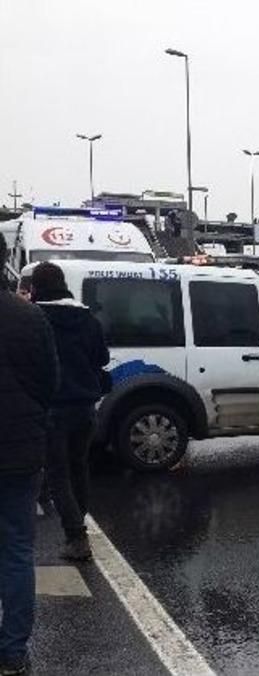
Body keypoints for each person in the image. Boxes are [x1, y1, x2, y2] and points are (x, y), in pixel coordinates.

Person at [0, 234, 59, 675]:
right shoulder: (30, 317)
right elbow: (47, 384)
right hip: (19, 451)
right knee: (17, 549)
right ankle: (13, 651)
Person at [30, 262, 109, 562]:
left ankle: (76, 536)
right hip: (86, 407)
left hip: (54, 408)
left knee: (57, 474)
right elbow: (101, 356)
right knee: (79, 468)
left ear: (37, 287)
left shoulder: (38, 318)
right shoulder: (87, 317)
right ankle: (80, 523)